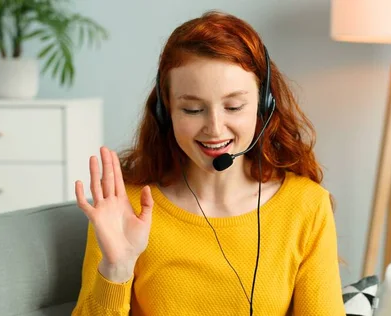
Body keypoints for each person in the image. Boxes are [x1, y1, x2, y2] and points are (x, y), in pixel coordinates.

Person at [71, 10, 345, 316]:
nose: (214, 128)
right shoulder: (127, 207)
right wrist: (117, 268)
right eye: (192, 109)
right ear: (166, 112)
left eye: (233, 106)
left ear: (264, 105)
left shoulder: (305, 207)